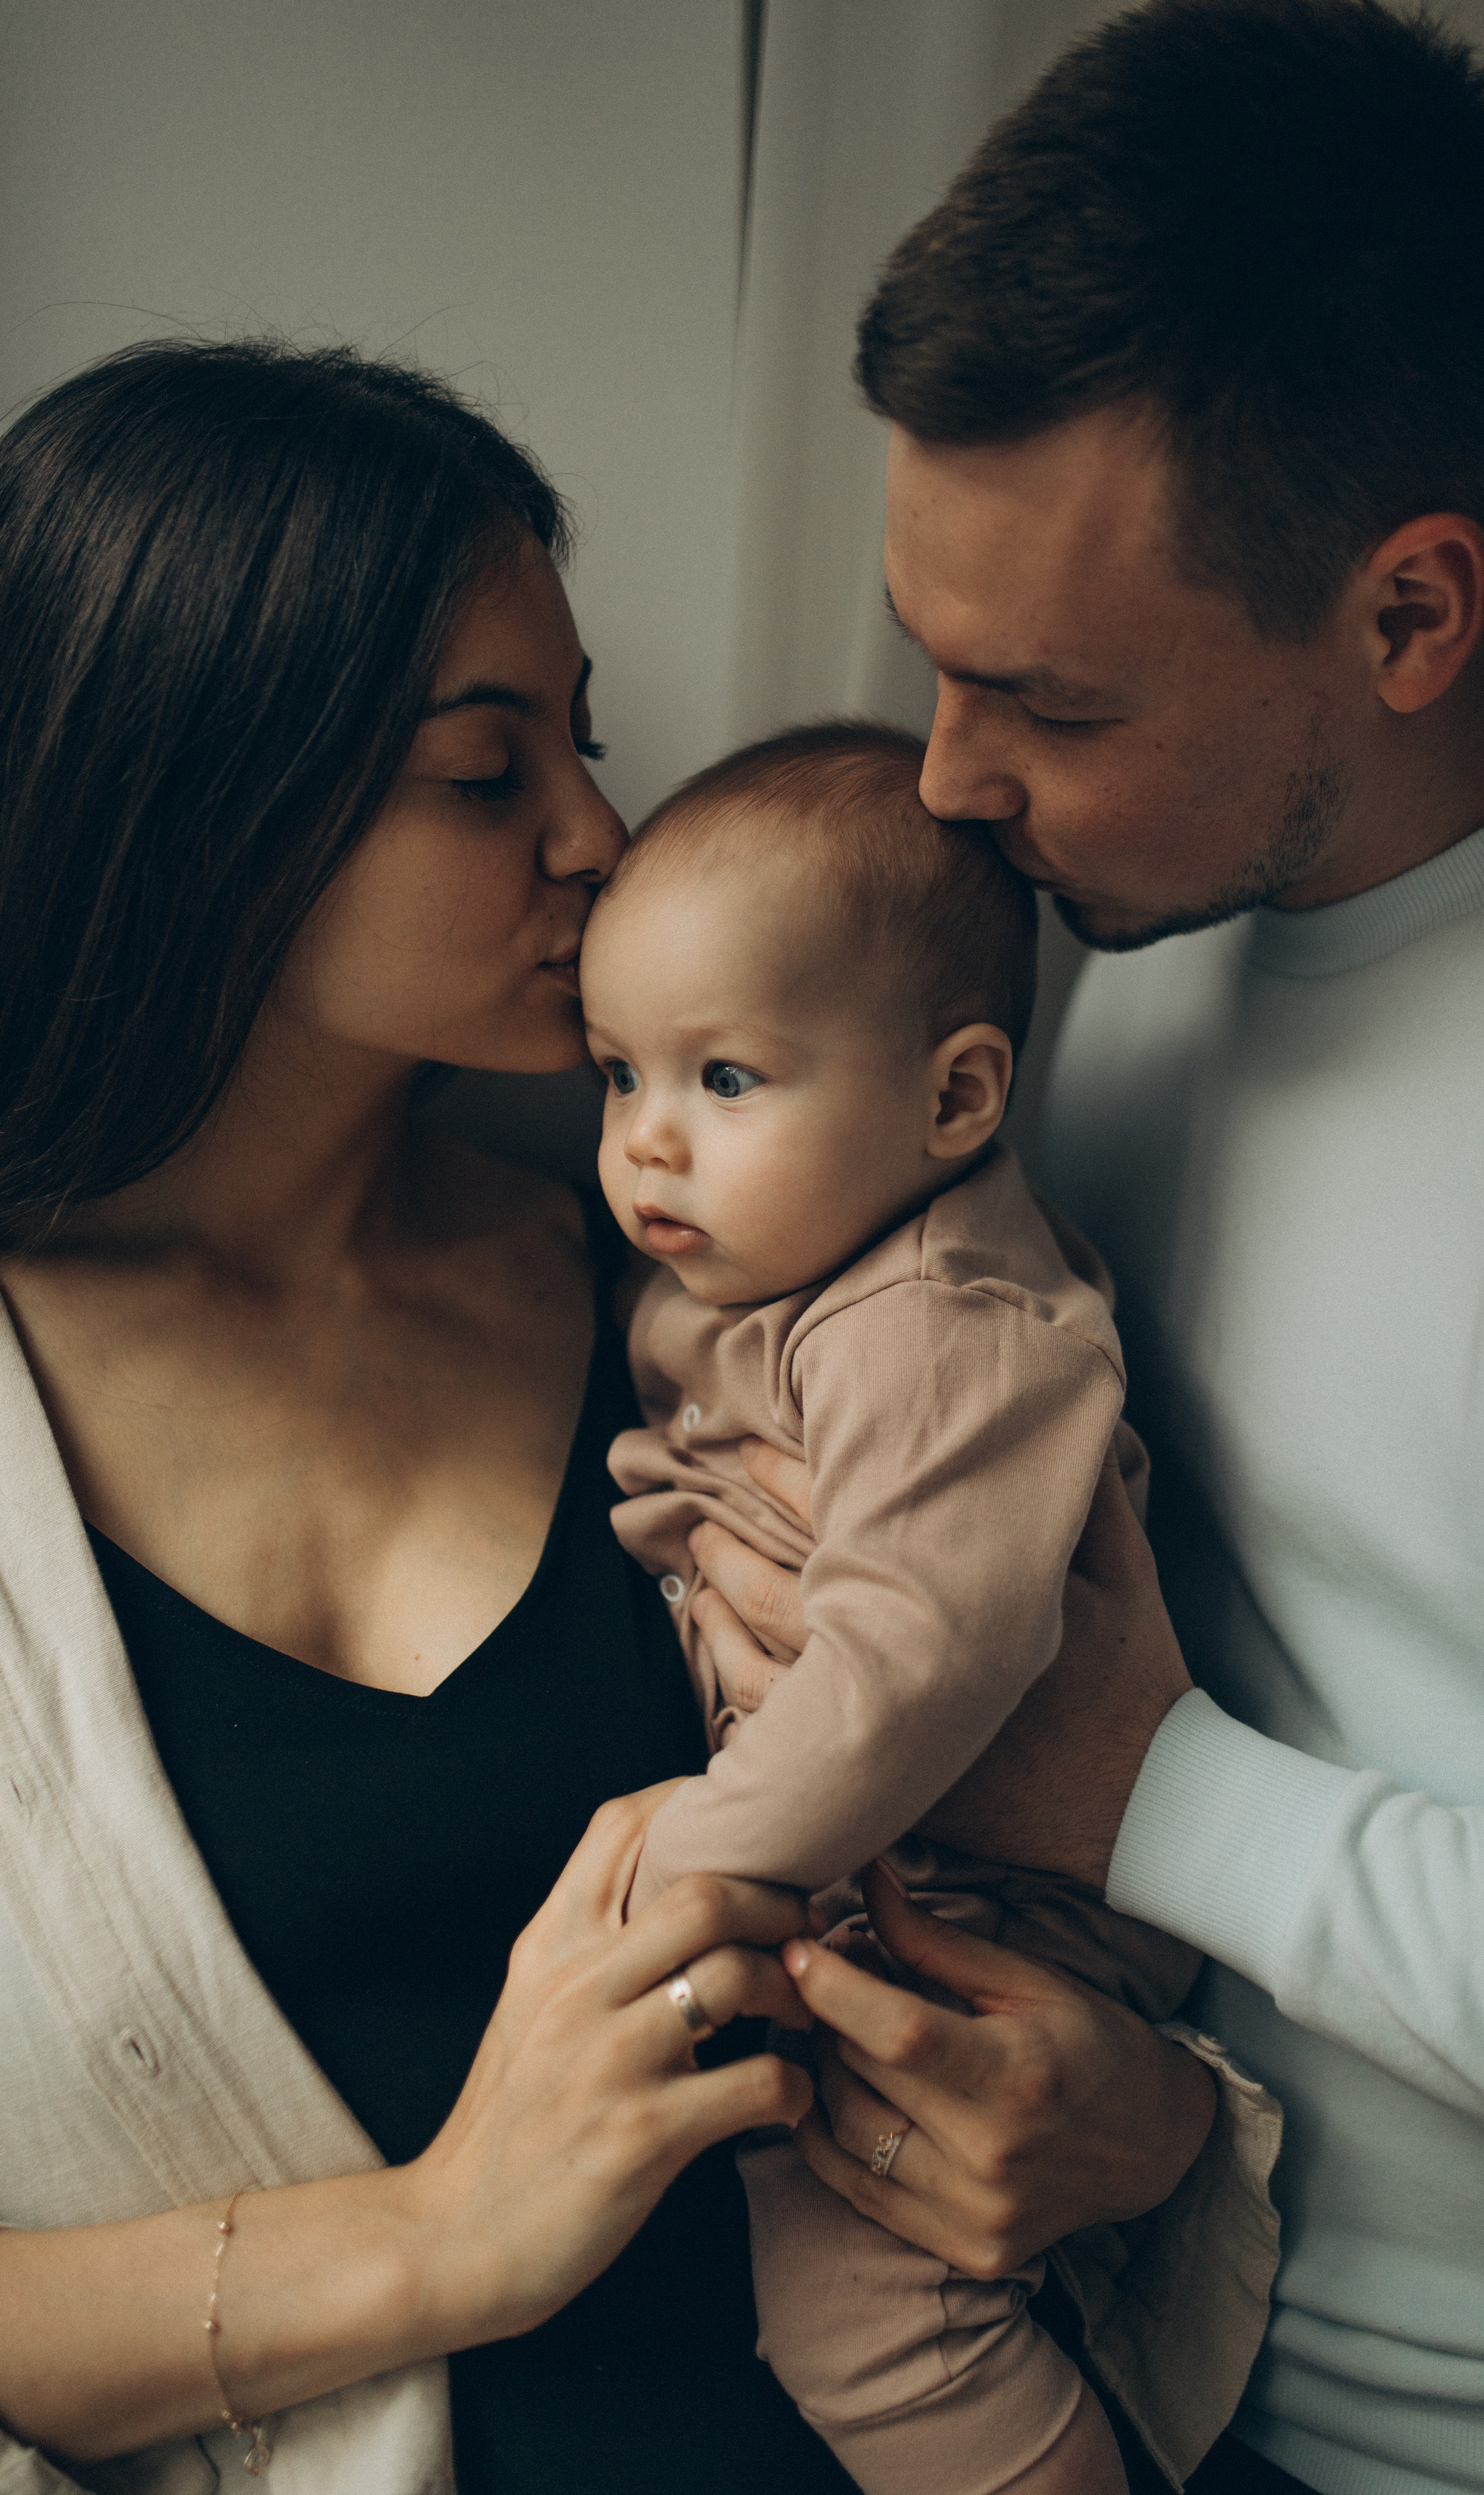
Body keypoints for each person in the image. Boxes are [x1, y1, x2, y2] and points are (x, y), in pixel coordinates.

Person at [681, 3, 1484, 2492]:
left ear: (1410, 613)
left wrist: (1153, 1800)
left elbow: (1125, 1755)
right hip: (1105, 2336)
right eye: (930, 660)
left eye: (1049, 700)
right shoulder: (1091, 941)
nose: (946, 777)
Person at [0, 335, 864, 2494]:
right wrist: (445, 2239)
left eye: (585, 741)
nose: (603, 836)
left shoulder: (697, 1298)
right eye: (490, 774)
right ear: (203, 806)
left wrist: (1113, 2098)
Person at [583, 719, 1247, 2495]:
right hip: (872, 1852)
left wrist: (686, 1873)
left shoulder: (940, 1321)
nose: (646, 1144)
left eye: (726, 1079)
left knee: (866, 2306)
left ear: (955, 1102)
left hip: (983, 1904)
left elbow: (924, 1652)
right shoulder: (787, 1265)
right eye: (617, 1075)